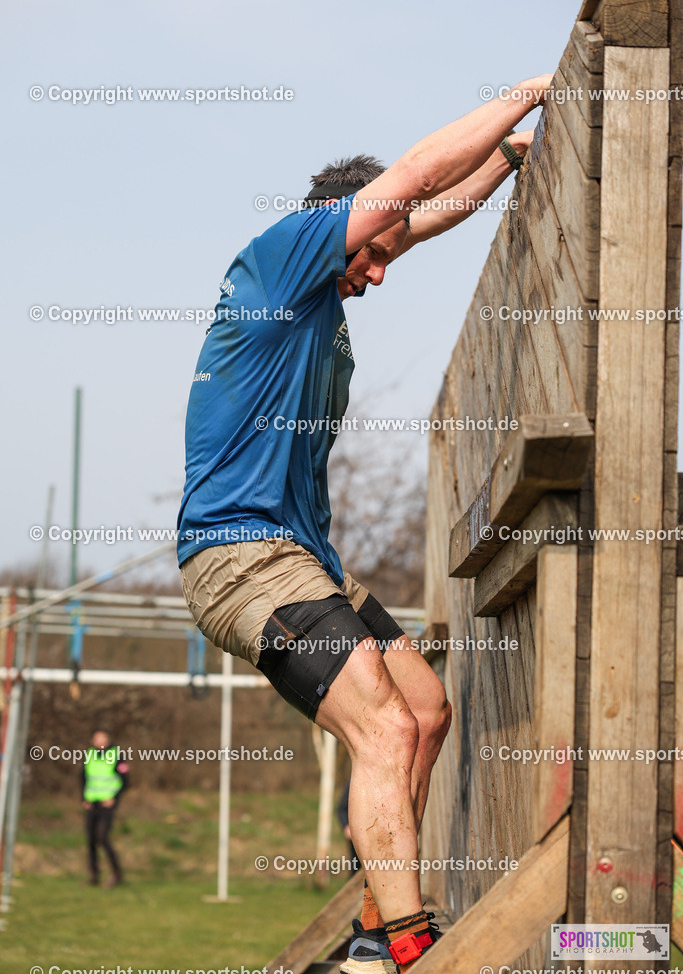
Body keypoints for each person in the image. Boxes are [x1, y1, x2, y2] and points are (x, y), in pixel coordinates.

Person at [178, 75, 551, 973]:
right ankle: (403, 940)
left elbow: (433, 208)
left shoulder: (326, 288)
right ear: (341, 219)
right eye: (373, 253)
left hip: (303, 560)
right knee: (382, 728)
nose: (380, 275)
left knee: (424, 710)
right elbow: (418, 176)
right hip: (239, 556)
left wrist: (511, 157)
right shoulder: (279, 259)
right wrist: (533, 90)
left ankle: (370, 931)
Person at [81, 729, 129, 887]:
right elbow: (83, 777)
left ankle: (117, 873)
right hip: (92, 802)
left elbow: (125, 780)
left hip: (106, 804)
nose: (100, 741)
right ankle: (94, 875)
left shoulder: (116, 755)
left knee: (102, 837)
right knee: (91, 840)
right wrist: (84, 798)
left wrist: (114, 798)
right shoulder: (90, 755)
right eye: (97, 738)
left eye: (103, 738)